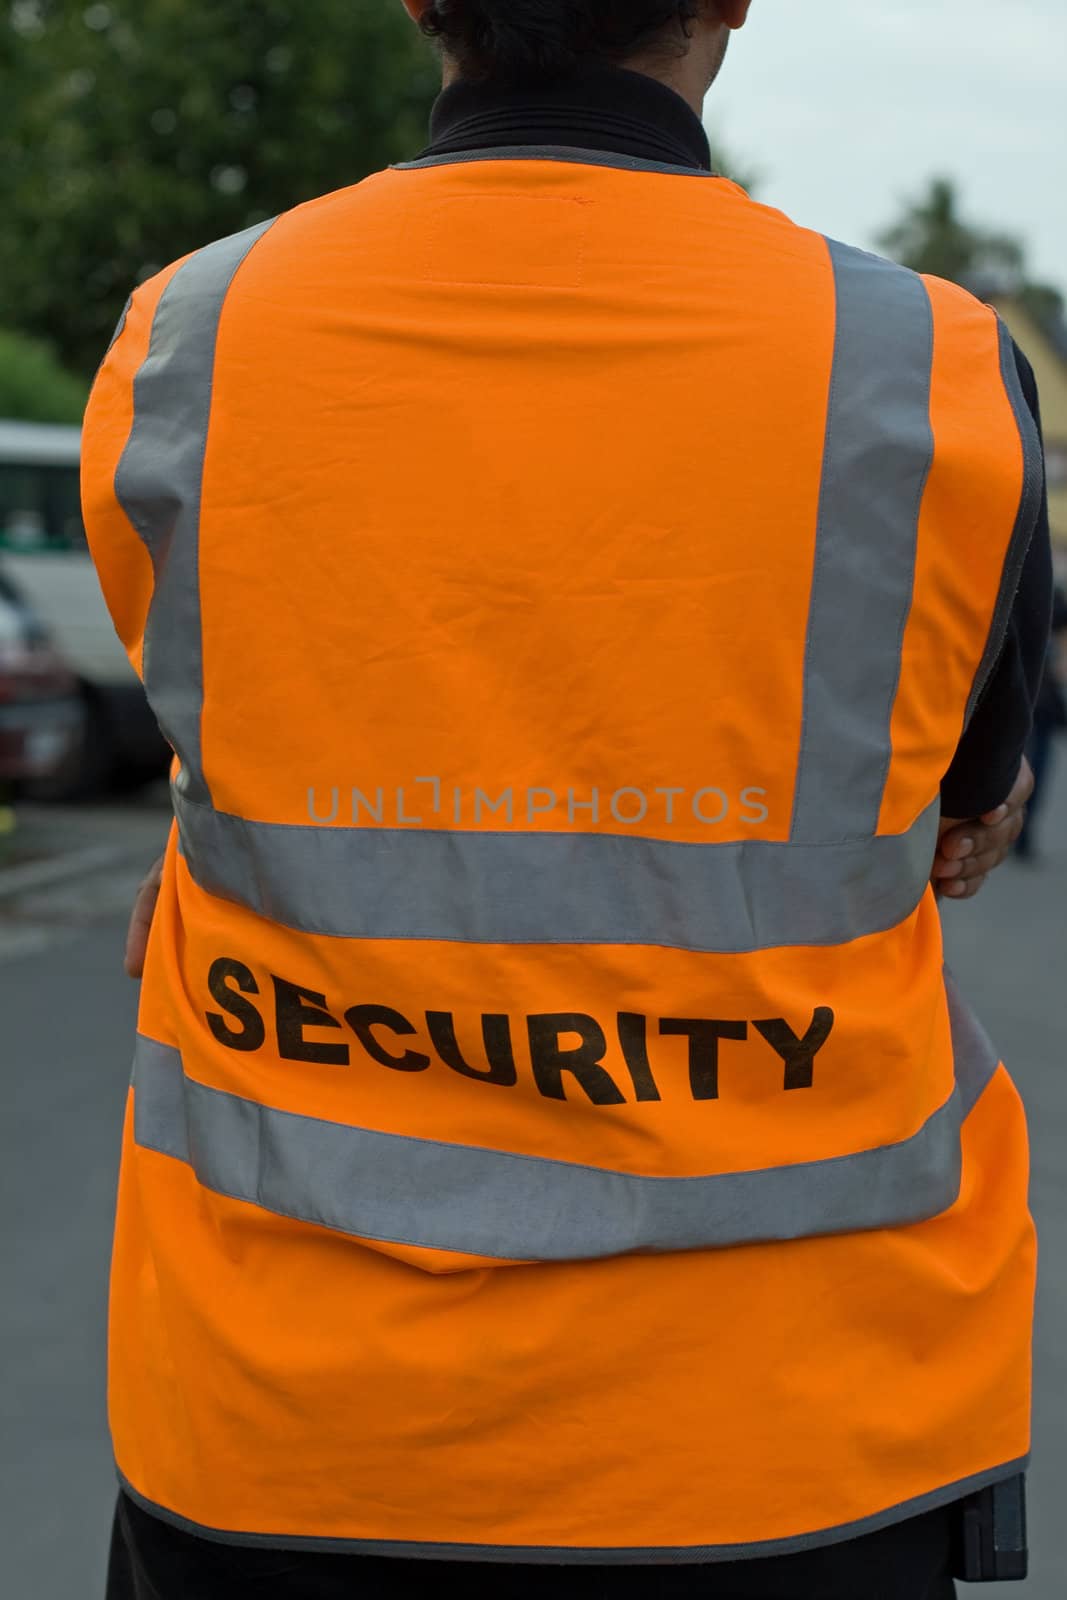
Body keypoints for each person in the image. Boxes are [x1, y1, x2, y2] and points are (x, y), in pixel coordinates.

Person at [81, 3, 1052, 1596]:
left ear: (416, 0)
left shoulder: (192, 332)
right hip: (785, 1436)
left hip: (282, 1432)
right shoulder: (922, 362)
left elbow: (218, 736)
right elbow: (961, 800)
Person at [1015, 584, 1066, 860]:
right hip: (1038, 705)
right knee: (1035, 771)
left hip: (1028, 704)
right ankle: (1022, 832)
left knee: (1022, 767)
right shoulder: (1053, 603)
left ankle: (1020, 831)